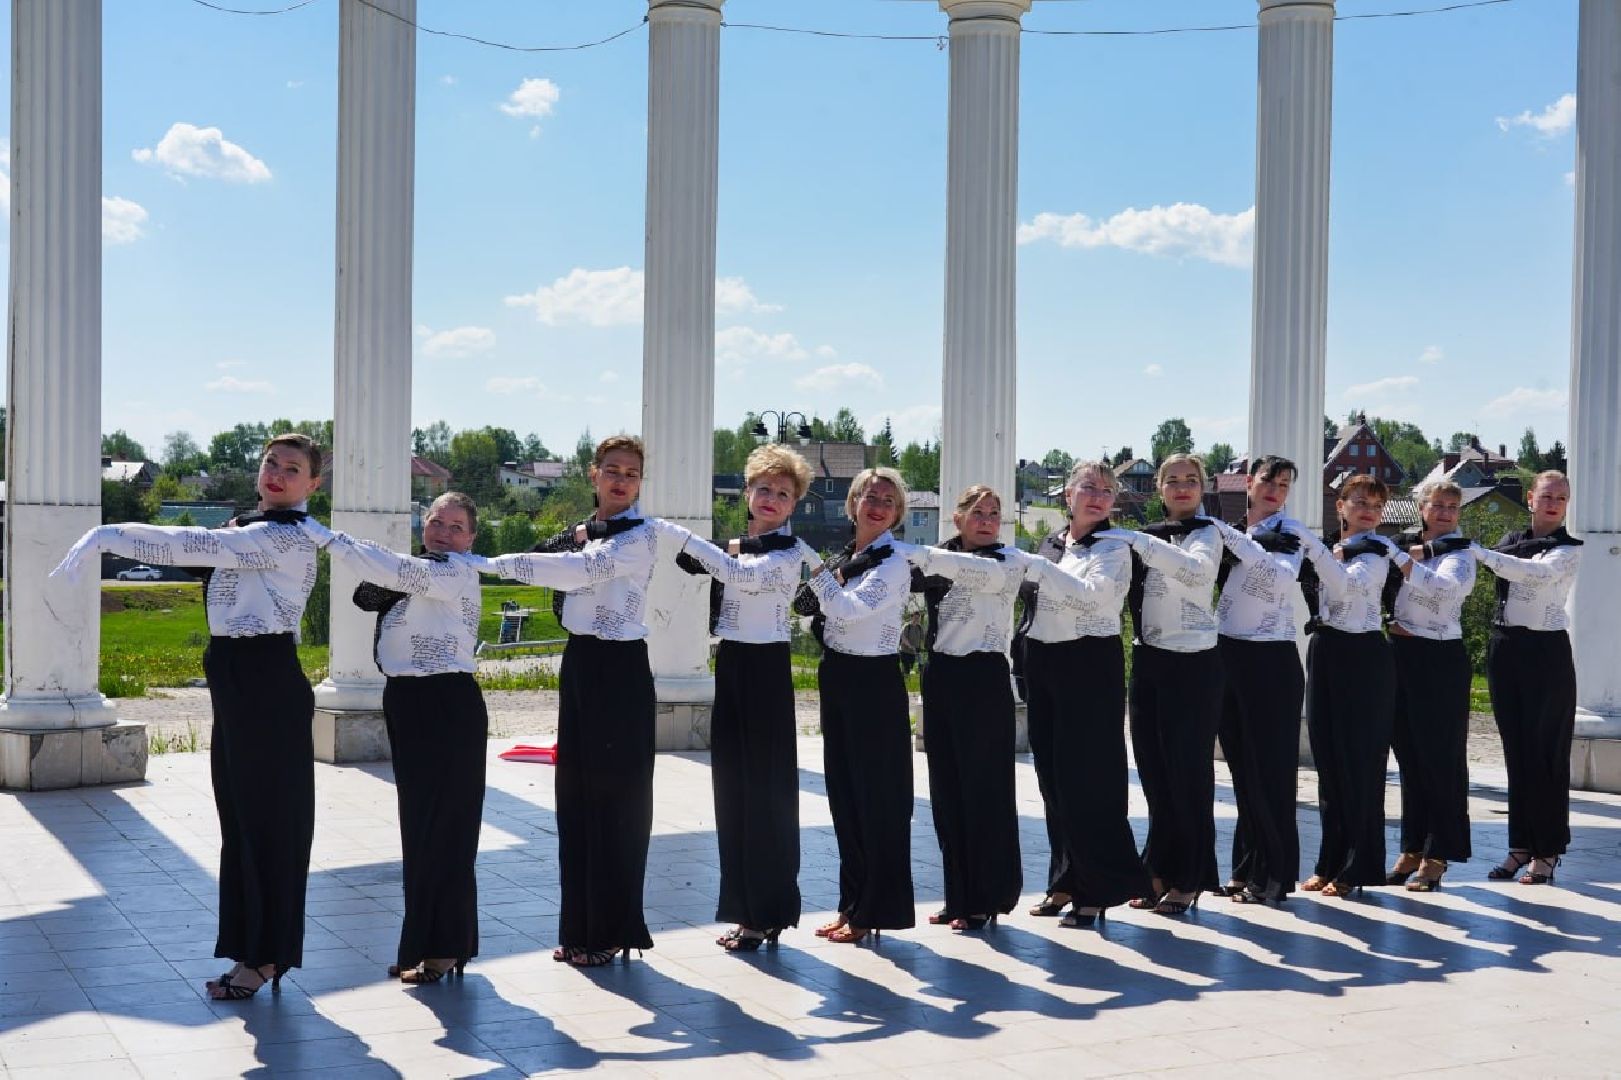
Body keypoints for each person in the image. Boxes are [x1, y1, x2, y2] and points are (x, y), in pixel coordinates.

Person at [52, 434, 326, 1000]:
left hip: (265, 681)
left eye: (291, 469)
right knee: (242, 821)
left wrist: (110, 534)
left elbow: (185, 543)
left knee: (267, 823)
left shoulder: (281, 538)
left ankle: (263, 957)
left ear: (311, 484)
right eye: (270, 462)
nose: (276, 474)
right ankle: (257, 950)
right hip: (238, 679)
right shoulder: (249, 529)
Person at [461, 435, 680, 967]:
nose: (621, 479)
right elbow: (560, 556)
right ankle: (581, 928)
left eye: (631, 472)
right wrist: (571, 536)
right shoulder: (583, 531)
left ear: (641, 481)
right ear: (593, 474)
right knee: (577, 799)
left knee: (616, 802)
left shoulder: (641, 536)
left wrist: (487, 564)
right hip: (581, 662)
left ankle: (612, 928)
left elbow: (578, 572)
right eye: (611, 469)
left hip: (622, 668)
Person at [299, 492, 490, 983]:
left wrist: (393, 570)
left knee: (447, 830)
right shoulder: (414, 568)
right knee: (419, 828)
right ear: (422, 525)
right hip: (407, 701)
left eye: (455, 526)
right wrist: (399, 574)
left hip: (448, 703)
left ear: (471, 538)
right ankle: (429, 943)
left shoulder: (457, 571)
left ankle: (443, 948)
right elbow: (364, 595)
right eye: (435, 521)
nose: (444, 532)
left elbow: (380, 582)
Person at [672, 445, 820, 952]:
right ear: (748, 494)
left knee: (767, 795)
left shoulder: (789, 553)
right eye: (764, 489)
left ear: (794, 503)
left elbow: (735, 575)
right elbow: (696, 565)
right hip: (732, 663)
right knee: (732, 791)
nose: (772, 499)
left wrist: (689, 538)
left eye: (784, 493)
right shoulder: (738, 545)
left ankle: (770, 910)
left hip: (767, 670)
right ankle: (745, 910)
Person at [1111, 453, 1272, 917]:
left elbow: (1195, 572)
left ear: (1203, 489)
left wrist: (1135, 540)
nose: (1182, 488)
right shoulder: (1145, 539)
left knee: (1189, 775)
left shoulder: (1209, 535)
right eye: (1173, 481)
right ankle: (1158, 868)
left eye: (1191, 481)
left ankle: (1191, 876)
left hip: (1195, 663)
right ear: (1159, 489)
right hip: (1147, 658)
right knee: (1155, 774)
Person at [1013, 461, 1151, 928]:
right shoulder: (1050, 543)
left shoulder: (1115, 547)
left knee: (1090, 780)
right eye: (1088, 488)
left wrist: (1037, 569)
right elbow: (1032, 602)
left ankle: (1099, 888)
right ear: (1066, 494)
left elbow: (1094, 597)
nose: (1097, 496)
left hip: (1090, 664)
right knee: (1052, 778)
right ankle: (1065, 879)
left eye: (1106, 490)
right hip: (1043, 661)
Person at [792, 467, 915, 944]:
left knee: (877, 800)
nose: (878, 504)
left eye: (888, 499)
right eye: (869, 495)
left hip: (874, 681)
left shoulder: (893, 563)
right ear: (853, 503)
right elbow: (807, 606)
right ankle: (851, 905)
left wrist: (824, 575)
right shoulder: (848, 556)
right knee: (845, 797)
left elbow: (845, 610)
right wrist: (833, 575)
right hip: (838, 676)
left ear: (898, 513)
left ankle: (875, 910)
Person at [1214, 455, 1343, 905]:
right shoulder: (1237, 530)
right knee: (1241, 771)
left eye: (1284, 484)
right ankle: (1246, 865)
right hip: (1226, 654)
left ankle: (1274, 875)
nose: (1275, 490)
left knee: (1269, 772)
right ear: (1250, 482)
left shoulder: (1288, 534)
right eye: (1269, 480)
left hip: (1270, 660)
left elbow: (1281, 576)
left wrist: (1227, 536)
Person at [906, 485, 1027, 931]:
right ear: (957, 518)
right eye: (978, 512)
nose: (988, 519)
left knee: (985, 792)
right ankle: (959, 895)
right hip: (941, 676)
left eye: (995, 513)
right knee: (948, 793)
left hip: (985, 677)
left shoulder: (1006, 561)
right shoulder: (935, 559)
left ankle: (988, 897)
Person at [1469, 470, 1583, 886]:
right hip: (1506, 648)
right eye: (1547, 495)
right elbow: (1506, 567)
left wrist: (1477, 551)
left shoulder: (1568, 549)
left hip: (1546, 653)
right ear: (1531, 498)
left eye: (1562, 498)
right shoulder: (1512, 542)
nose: (1554, 503)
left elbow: (1531, 575)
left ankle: (1548, 850)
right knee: (1516, 753)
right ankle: (1520, 845)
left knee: (1546, 755)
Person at [1303, 474, 1395, 899]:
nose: (1367, 511)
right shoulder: (1332, 549)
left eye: (1375, 506)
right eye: (1359, 502)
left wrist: (1316, 551)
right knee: (1329, 762)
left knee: (1360, 764)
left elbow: (1346, 587)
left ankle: (1358, 865)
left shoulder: (1375, 553)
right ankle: (1329, 860)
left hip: (1363, 656)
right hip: (1325, 649)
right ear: (1340, 506)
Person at [1384, 481, 1477, 892]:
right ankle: (1412, 847)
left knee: (1442, 761)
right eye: (1437, 505)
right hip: (1400, 657)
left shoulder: (1461, 552)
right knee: (1409, 759)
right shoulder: (1402, 544)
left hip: (1440, 660)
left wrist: (1401, 560)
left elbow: (1442, 591)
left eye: (1452, 507)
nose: (1444, 512)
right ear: (1421, 508)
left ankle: (1438, 853)